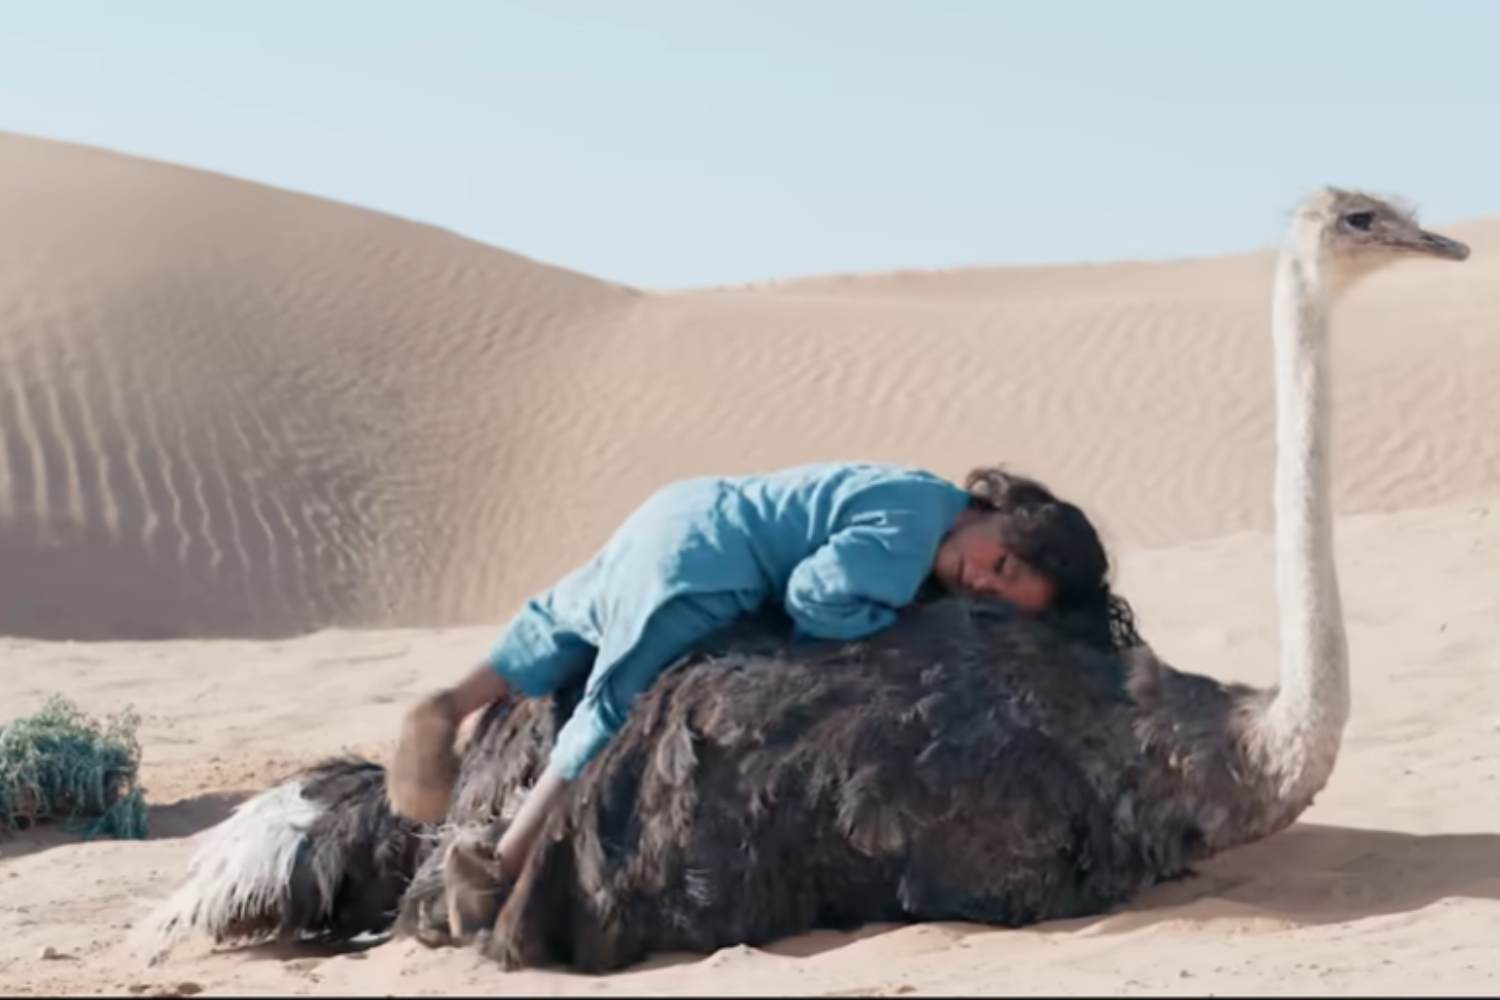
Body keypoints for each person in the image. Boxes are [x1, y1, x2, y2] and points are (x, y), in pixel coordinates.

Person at [386, 460, 1139, 886]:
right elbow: (815, 595)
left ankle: (449, 704)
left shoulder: (918, 491)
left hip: (679, 509)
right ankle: (504, 859)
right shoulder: (908, 543)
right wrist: (876, 628)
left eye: (1000, 595)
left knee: (561, 616)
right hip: (708, 565)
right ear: (992, 511)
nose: (981, 580)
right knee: (614, 703)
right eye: (1000, 561)